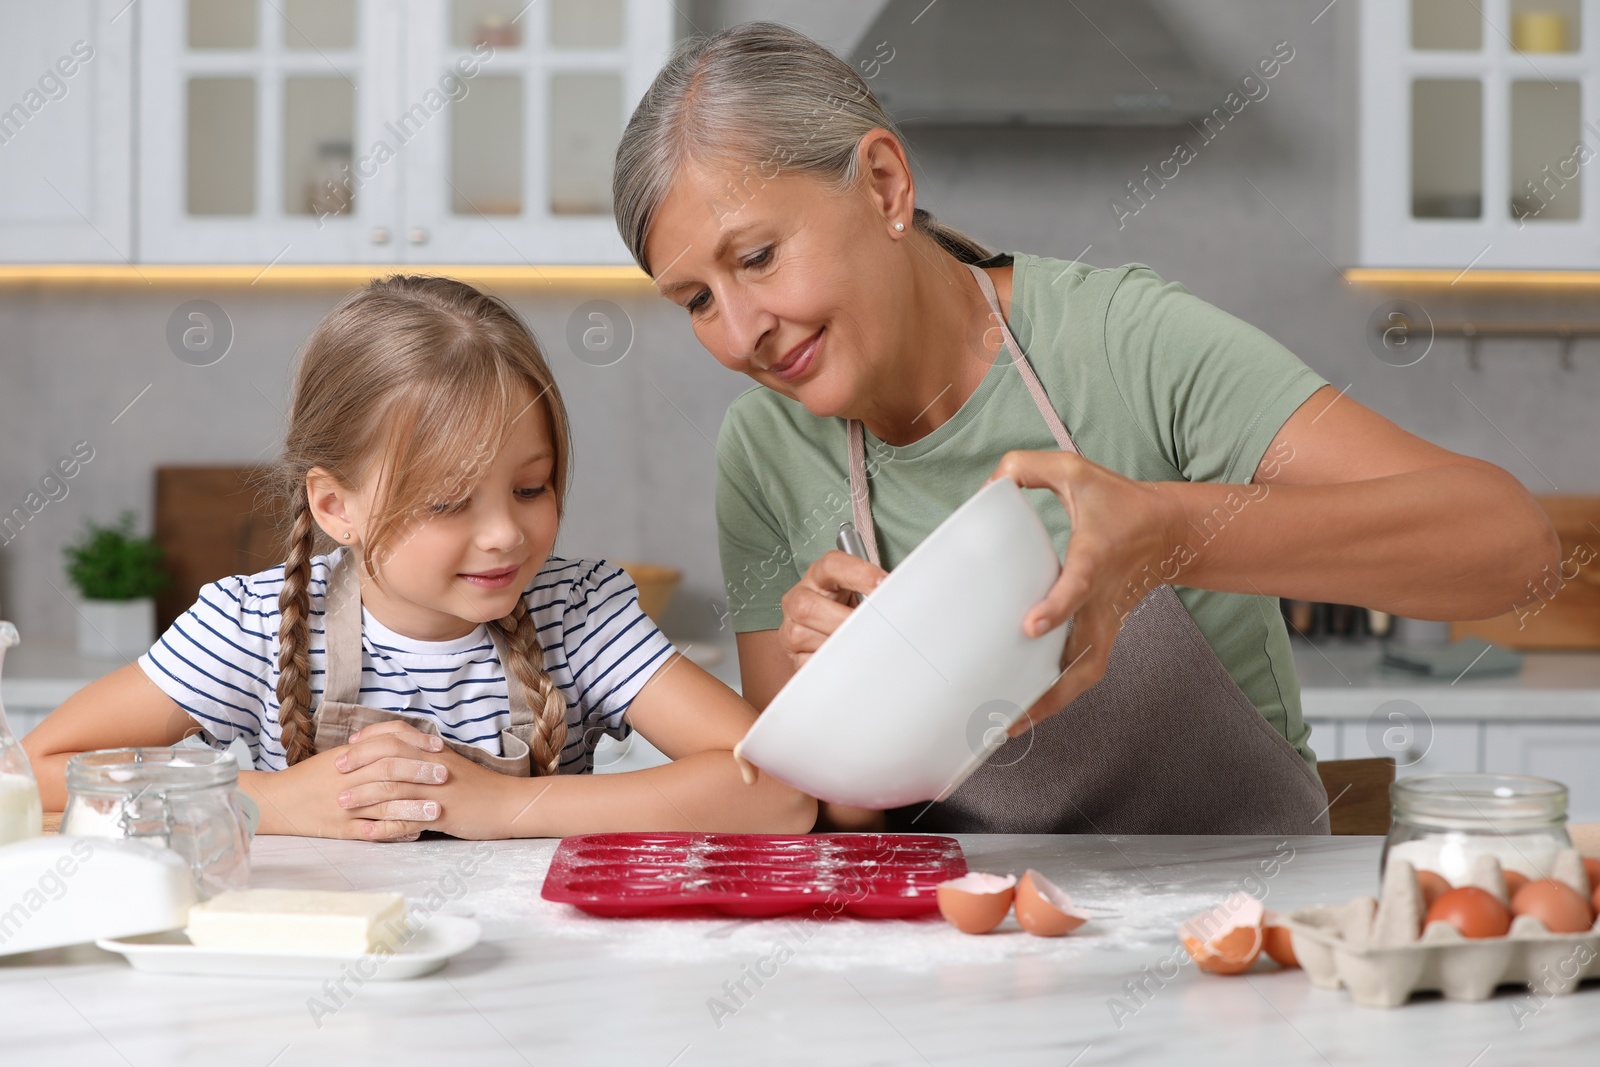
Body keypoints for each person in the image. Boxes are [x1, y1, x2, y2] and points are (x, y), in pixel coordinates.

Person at [610, 23, 1561, 834]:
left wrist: (1171, 532)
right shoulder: (766, 451)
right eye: (696, 299)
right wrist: (846, 690)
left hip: (1242, 941)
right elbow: (814, 818)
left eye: (761, 257)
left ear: (886, 184)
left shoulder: (1128, 344)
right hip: (971, 960)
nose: (740, 334)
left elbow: (1513, 550)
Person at [25, 276, 815, 841]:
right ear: (337, 506)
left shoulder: (580, 613)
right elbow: (36, 772)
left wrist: (501, 809)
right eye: (448, 503)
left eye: (532, 487)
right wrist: (270, 802)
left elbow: (777, 792)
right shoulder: (254, 624)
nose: (505, 533)